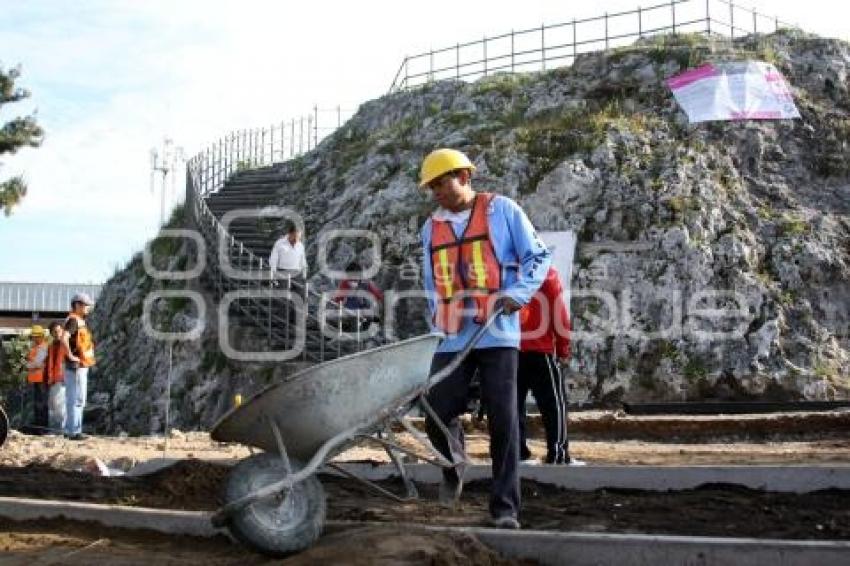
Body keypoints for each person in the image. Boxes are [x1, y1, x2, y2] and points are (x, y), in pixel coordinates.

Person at [419, 148, 551, 530]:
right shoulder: (430, 228)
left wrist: (520, 293)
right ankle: (454, 463)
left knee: (505, 420)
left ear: (463, 176)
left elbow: (538, 257)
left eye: (440, 183)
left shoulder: (503, 211)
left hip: (497, 332)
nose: (436, 193)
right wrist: (435, 321)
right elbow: (431, 282)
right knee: (434, 408)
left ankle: (505, 507)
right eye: (431, 187)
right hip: (451, 336)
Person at [517, 266, 582, 465]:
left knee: (511, 406)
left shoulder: (503, 268)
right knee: (554, 405)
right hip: (540, 349)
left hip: (509, 351)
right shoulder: (546, 271)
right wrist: (563, 348)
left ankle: (516, 454)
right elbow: (558, 311)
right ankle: (558, 454)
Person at [63, 292, 96, 440]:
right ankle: (74, 432)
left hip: (79, 365)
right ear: (77, 305)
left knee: (75, 399)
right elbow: (64, 338)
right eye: (85, 305)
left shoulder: (78, 320)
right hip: (76, 366)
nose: (88, 307)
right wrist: (70, 355)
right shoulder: (74, 321)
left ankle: (72, 430)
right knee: (77, 399)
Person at [331, 261, 384, 332]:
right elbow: (338, 299)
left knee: (370, 317)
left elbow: (378, 295)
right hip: (351, 312)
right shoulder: (345, 283)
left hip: (362, 311)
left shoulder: (365, 283)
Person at [45, 321, 68, 433]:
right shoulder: (52, 346)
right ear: (52, 334)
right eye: (55, 332)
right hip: (53, 379)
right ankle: (55, 430)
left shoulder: (66, 344)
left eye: (59, 331)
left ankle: (61, 430)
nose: (57, 333)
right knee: (53, 405)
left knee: (61, 406)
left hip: (62, 378)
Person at [25, 325, 48, 434]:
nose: (33, 339)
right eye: (33, 336)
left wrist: (27, 365)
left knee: (41, 404)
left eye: (35, 336)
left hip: (41, 379)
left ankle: (41, 427)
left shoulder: (43, 347)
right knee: (37, 404)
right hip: (35, 379)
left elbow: (37, 363)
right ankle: (38, 425)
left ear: (41, 336)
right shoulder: (36, 347)